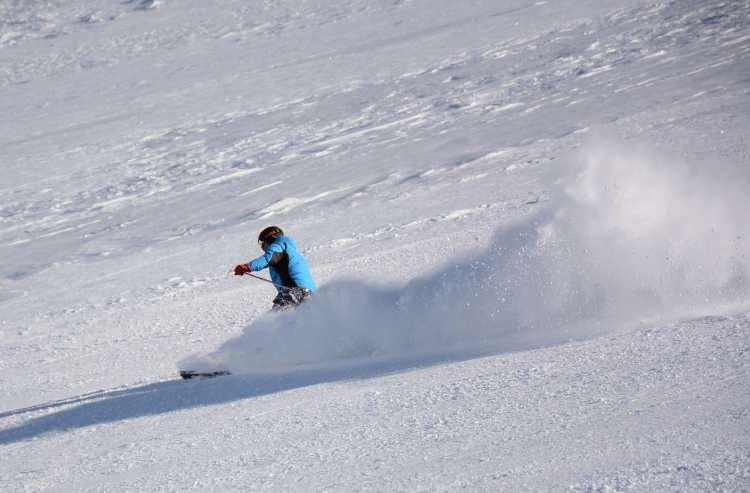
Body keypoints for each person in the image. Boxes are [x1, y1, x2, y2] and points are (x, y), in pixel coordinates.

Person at [234, 226, 317, 310]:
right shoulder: (289, 249)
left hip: (295, 290)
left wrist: (247, 267)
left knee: (278, 318)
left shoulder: (279, 244)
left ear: (269, 237)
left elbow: (268, 259)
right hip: (307, 293)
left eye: (261, 242)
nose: (262, 247)